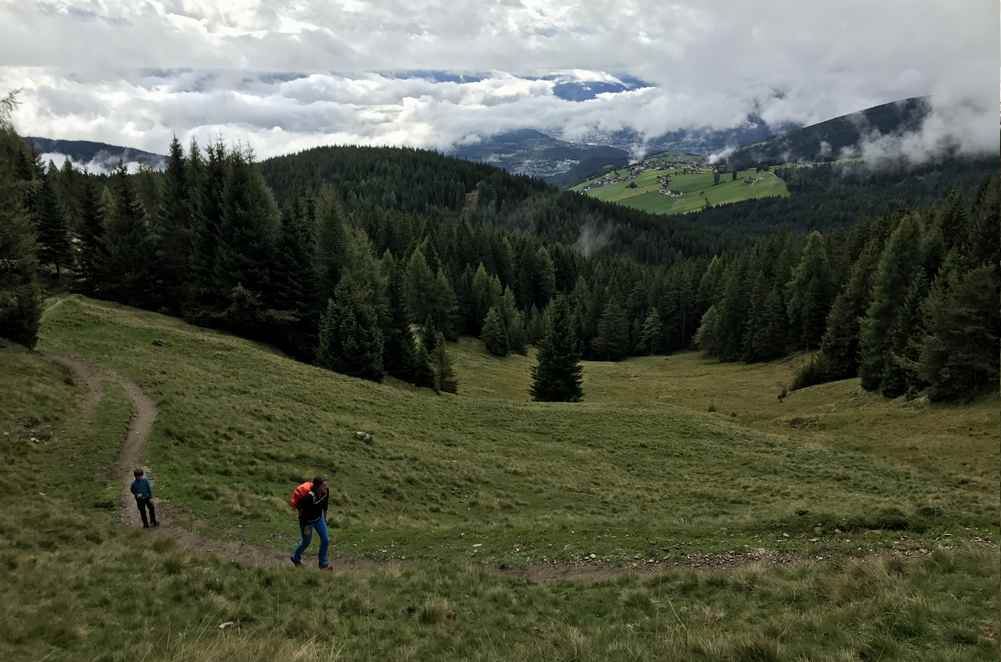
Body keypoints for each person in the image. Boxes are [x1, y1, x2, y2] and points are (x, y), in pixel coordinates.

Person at [291, 476, 331, 570]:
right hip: (307, 522)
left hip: (319, 519)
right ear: (318, 486)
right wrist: (305, 525)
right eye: (324, 485)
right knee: (306, 542)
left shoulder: (325, 492)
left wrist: (324, 518)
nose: (326, 487)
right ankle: (296, 558)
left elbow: (325, 505)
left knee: (325, 540)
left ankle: (323, 564)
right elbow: (300, 507)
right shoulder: (309, 496)